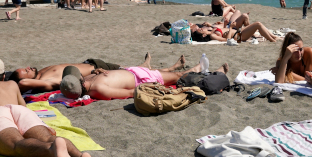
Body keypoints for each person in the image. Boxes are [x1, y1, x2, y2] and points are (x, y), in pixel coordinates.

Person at [59, 55, 229, 100]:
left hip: (134, 72)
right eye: (79, 77)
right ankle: (211, 71)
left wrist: (98, 72)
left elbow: (99, 74)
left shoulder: (88, 82)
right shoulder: (97, 89)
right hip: (141, 80)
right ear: (80, 84)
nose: (81, 76)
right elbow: (127, 93)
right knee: (177, 77)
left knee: (172, 74)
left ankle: (195, 68)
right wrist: (152, 87)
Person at [11, 55, 187, 94]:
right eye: (25, 71)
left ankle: (169, 69)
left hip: (93, 68)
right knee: (137, 71)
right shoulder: (44, 81)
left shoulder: (41, 73)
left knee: (135, 70)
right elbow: (22, 85)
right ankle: (174, 69)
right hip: (97, 70)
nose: (28, 68)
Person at [189, 21, 278, 43]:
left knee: (258, 24)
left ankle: (273, 37)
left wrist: (225, 24)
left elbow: (224, 30)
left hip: (238, 32)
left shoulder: (210, 30)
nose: (201, 28)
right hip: (238, 37)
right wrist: (231, 28)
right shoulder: (212, 36)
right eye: (201, 30)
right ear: (204, 35)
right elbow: (227, 41)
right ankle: (272, 40)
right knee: (257, 24)